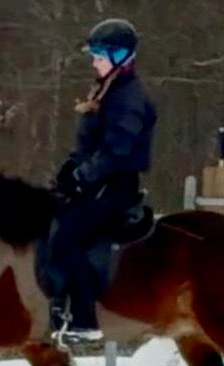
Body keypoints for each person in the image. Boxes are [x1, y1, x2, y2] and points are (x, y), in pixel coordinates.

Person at [48, 18, 158, 344]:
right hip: (98, 182)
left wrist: (82, 177)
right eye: (93, 55)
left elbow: (116, 151)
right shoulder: (107, 90)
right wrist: (70, 169)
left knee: (67, 239)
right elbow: (89, 145)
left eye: (99, 55)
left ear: (120, 56)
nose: (94, 61)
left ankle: (84, 319)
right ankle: (56, 303)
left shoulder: (129, 98)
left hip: (114, 187)